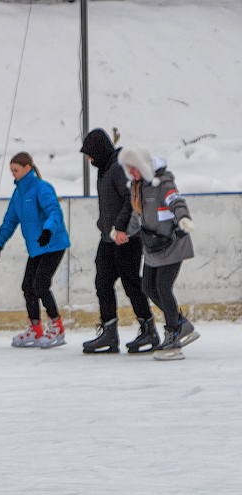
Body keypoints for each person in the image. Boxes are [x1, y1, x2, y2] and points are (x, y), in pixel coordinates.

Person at [79, 129, 157, 354]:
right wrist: (103, 224)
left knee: (131, 283)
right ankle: (109, 332)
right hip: (108, 238)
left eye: (90, 153)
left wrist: (121, 228)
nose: (89, 159)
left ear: (100, 150)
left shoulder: (117, 169)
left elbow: (131, 200)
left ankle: (149, 329)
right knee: (102, 282)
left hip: (127, 238)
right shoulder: (103, 169)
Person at [118, 147, 198, 361]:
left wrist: (183, 218)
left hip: (172, 244)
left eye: (134, 168)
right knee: (147, 287)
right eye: (128, 168)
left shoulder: (163, 182)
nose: (131, 172)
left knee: (163, 287)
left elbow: (176, 201)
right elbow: (137, 217)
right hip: (153, 246)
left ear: (143, 166)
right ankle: (181, 323)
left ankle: (173, 337)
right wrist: (124, 233)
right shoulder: (137, 187)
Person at [0, 152, 71, 349]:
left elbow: (54, 211)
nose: (13, 174)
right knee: (28, 287)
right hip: (37, 248)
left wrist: (48, 230)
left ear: (27, 168)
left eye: (16, 170)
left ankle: (57, 328)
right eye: (12, 171)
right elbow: (10, 221)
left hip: (53, 244)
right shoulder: (18, 194)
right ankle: (35, 330)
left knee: (41, 285)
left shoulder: (42, 188)